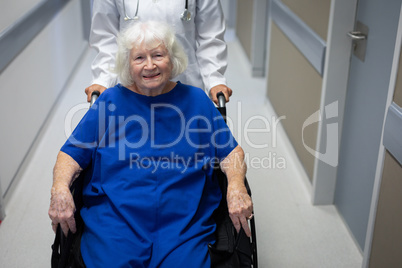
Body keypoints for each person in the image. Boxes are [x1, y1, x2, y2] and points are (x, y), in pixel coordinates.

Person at [49, 21, 252, 267]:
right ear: (128, 64)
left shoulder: (196, 100)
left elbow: (231, 152)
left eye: (158, 55)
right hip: (117, 218)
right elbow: (70, 153)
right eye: (139, 58)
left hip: (184, 220)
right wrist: (60, 188)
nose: (150, 65)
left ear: (172, 58)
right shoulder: (110, 102)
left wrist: (236, 187)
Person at [85, 0, 233, 105]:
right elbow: (105, 36)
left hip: (185, 82)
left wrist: (214, 80)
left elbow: (210, 34)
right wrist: (102, 80)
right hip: (132, 86)